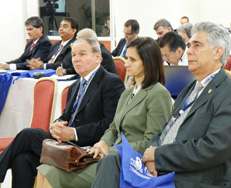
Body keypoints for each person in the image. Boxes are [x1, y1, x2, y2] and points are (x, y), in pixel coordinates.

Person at [92, 22, 231, 188]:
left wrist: (159, 157)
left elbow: (212, 149)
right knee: (111, 161)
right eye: (189, 45)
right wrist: (151, 154)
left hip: (199, 177)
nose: (188, 51)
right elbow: (163, 130)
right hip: (167, 165)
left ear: (217, 52)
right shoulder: (191, 88)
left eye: (197, 45)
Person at [36, 37, 173, 188]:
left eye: (132, 60)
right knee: (45, 169)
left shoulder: (158, 94)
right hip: (111, 155)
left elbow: (152, 141)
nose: (126, 63)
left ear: (148, 62)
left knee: (52, 173)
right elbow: (113, 127)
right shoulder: (128, 93)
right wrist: (102, 143)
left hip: (130, 162)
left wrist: (110, 148)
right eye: (127, 58)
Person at [0, 38, 125, 188]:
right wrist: (56, 125)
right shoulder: (75, 85)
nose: (76, 59)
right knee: (22, 159)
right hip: (65, 144)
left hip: (87, 148)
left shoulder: (111, 82)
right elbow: (65, 117)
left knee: (27, 134)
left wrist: (74, 133)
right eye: (73, 55)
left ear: (98, 57)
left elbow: (111, 124)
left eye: (82, 54)